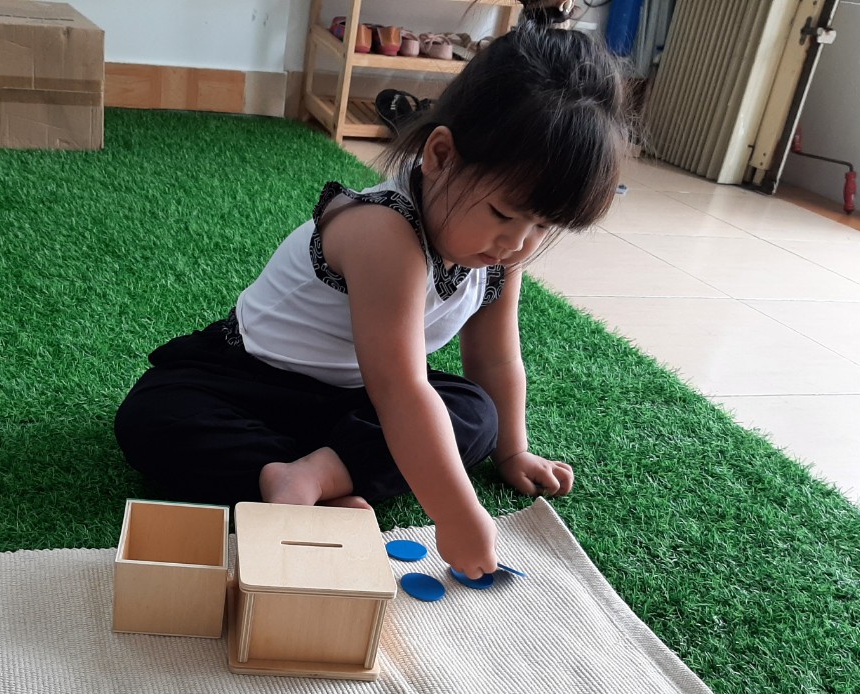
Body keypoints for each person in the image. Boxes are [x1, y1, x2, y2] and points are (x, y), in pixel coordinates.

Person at [114, 23, 631, 580]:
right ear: (441, 156)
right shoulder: (383, 230)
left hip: (356, 401)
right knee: (153, 418)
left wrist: (512, 451)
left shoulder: (500, 256)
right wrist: (456, 513)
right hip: (249, 378)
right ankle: (287, 473)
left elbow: (496, 361)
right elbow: (401, 391)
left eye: (542, 226)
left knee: (475, 415)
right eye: (504, 213)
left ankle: (312, 476)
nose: (517, 243)